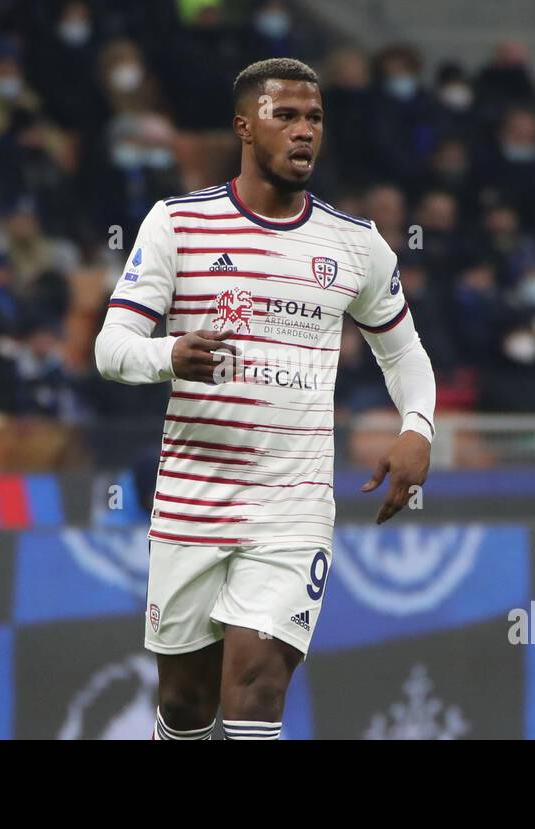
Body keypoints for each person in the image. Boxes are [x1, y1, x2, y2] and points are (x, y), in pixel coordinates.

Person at [94, 58, 436, 740]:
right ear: (246, 126)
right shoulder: (177, 225)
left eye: (314, 118)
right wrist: (171, 355)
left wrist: (417, 428)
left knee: (256, 685)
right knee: (188, 702)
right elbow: (110, 348)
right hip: (193, 496)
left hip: (293, 503)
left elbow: (403, 352)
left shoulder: (355, 245)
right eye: (286, 116)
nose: (304, 131)